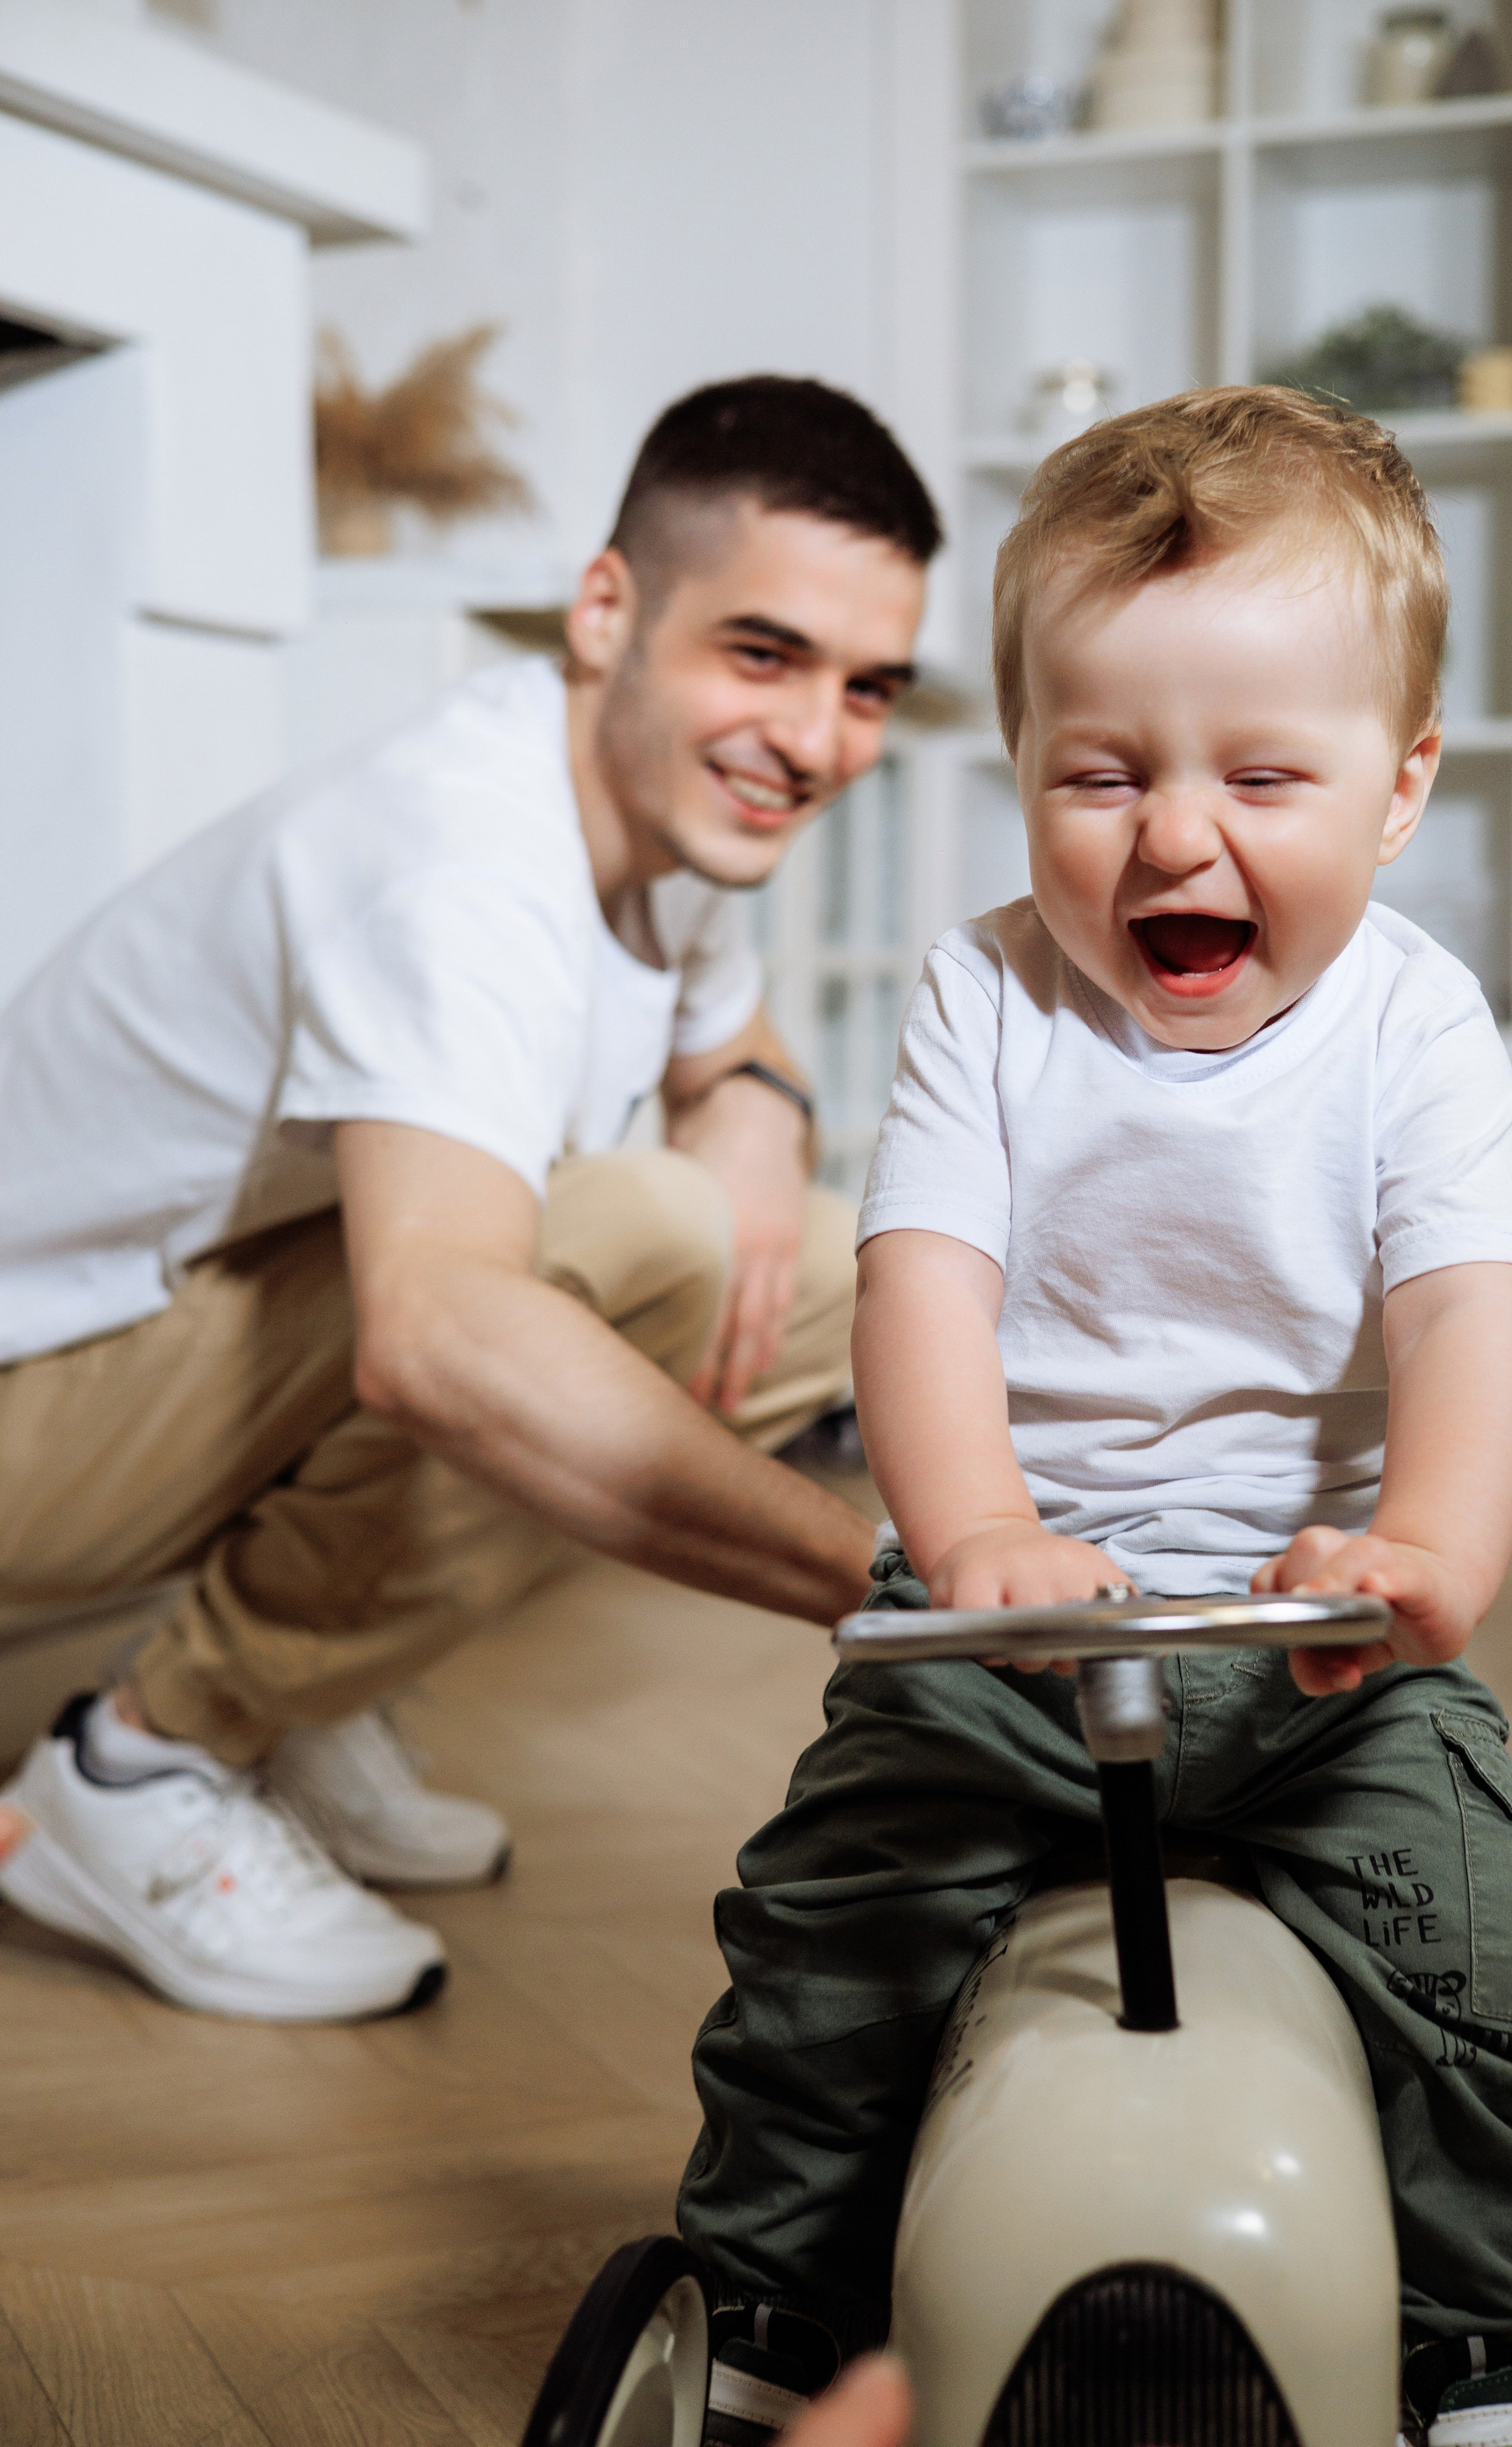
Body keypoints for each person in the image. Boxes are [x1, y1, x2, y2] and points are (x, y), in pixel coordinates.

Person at [674, 389, 1512, 2447]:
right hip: (1018, 1630)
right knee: (833, 1926)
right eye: (1100, 774)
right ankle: (783, 2314)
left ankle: (1475, 2353)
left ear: (1398, 789)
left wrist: (1426, 1566)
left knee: (1474, 1951)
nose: (1176, 837)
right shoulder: (986, 994)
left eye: (1264, 776)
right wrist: (984, 1530)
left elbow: (1468, 1317)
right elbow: (924, 1281)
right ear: (1022, 769)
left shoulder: (1415, 1023)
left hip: (1319, 1642)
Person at [0, 375, 940, 2023]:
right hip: (33, 1414)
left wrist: (766, 1112)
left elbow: (740, 1047)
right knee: (633, 1244)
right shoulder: (459, 861)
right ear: (606, 610)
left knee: (845, 1295)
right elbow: (436, 1341)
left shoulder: (669, 807)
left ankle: (305, 1684)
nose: (814, 742)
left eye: (869, 688)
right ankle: (138, 1770)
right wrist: (908, 1594)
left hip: (154, 1366)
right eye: (765, 655)